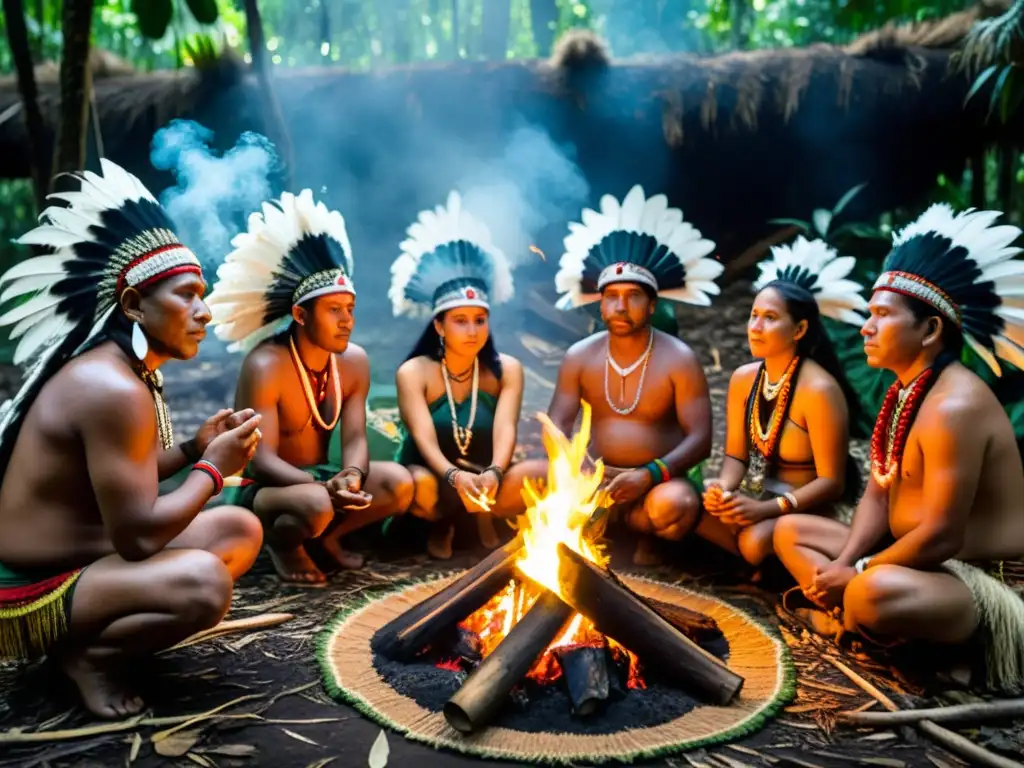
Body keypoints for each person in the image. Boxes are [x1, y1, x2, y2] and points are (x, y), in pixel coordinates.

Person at [0, 159, 264, 719]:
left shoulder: (128, 370)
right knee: (203, 585)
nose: (204, 311)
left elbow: (126, 479)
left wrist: (193, 449)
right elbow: (139, 537)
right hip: (26, 585)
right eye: (187, 296)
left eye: (204, 294)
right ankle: (88, 658)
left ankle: (95, 641)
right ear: (133, 305)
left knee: (239, 527)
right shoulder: (111, 387)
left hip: (83, 549)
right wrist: (213, 469)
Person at [774, 204, 1024, 692]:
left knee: (869, 592)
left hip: (980, 583)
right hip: (916, 563)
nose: (865, 327)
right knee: (789, 531)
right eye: (869, 314)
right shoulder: (906, 391)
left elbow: (941, 539)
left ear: (930, 330)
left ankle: (895, 632)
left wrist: (859, 571)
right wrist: (846, 561)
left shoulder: (955, 407)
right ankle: (868, 625)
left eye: (882, 315)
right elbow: (878, 495)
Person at [205, 190, 414, 584]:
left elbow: (354, 437)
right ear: (300, 314)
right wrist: (323, 485)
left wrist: (350, 475)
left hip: (323, 477)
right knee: (317, 501)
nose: (346, 321)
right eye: (334, 310)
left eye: (350, 309)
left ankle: (327, 539)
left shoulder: (353, 362)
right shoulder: (266, 364)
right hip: (267, 489)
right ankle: (285, 545)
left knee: (399, 484)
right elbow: (259, 460)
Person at [549, 184, 722, 565]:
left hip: (659, 482)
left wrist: (649, 474)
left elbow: (701, 440)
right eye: (612, 296)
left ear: (653, 303)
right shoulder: (580, 356)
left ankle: (639, 529)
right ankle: (603, 527)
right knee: (529, 478)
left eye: (634, 296)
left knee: (673, 509)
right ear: (600, 303)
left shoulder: (680, 359)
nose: (621, 306)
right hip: (593, 481)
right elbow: (556, 426)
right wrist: (581, 467)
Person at [700, 237, 868, 567]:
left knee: (751, 542)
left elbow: (832, 483)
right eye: (754, 316)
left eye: (770, 318)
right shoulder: (743, 379)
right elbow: (735, 454)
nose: (756, 327)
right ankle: (759, 566)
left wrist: (765, 510)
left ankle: (776, 563)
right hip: (758, 499)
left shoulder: (819, 389)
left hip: (806, 511)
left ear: (800, 329)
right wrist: (724, 489)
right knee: (687, 506)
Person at [391, 190, 534, 560]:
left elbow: (505, 429)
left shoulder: (507, 370)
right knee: (418, 484)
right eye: (460, 321)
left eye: (479, 320)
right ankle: (442, 521)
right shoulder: (414, 372)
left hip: (488, 477)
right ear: (439, 325)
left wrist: (495, 473)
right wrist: (454, 477)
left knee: (542, 473)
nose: (472, 331)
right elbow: (422, 438)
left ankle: (485, 519)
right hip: (432, 476)